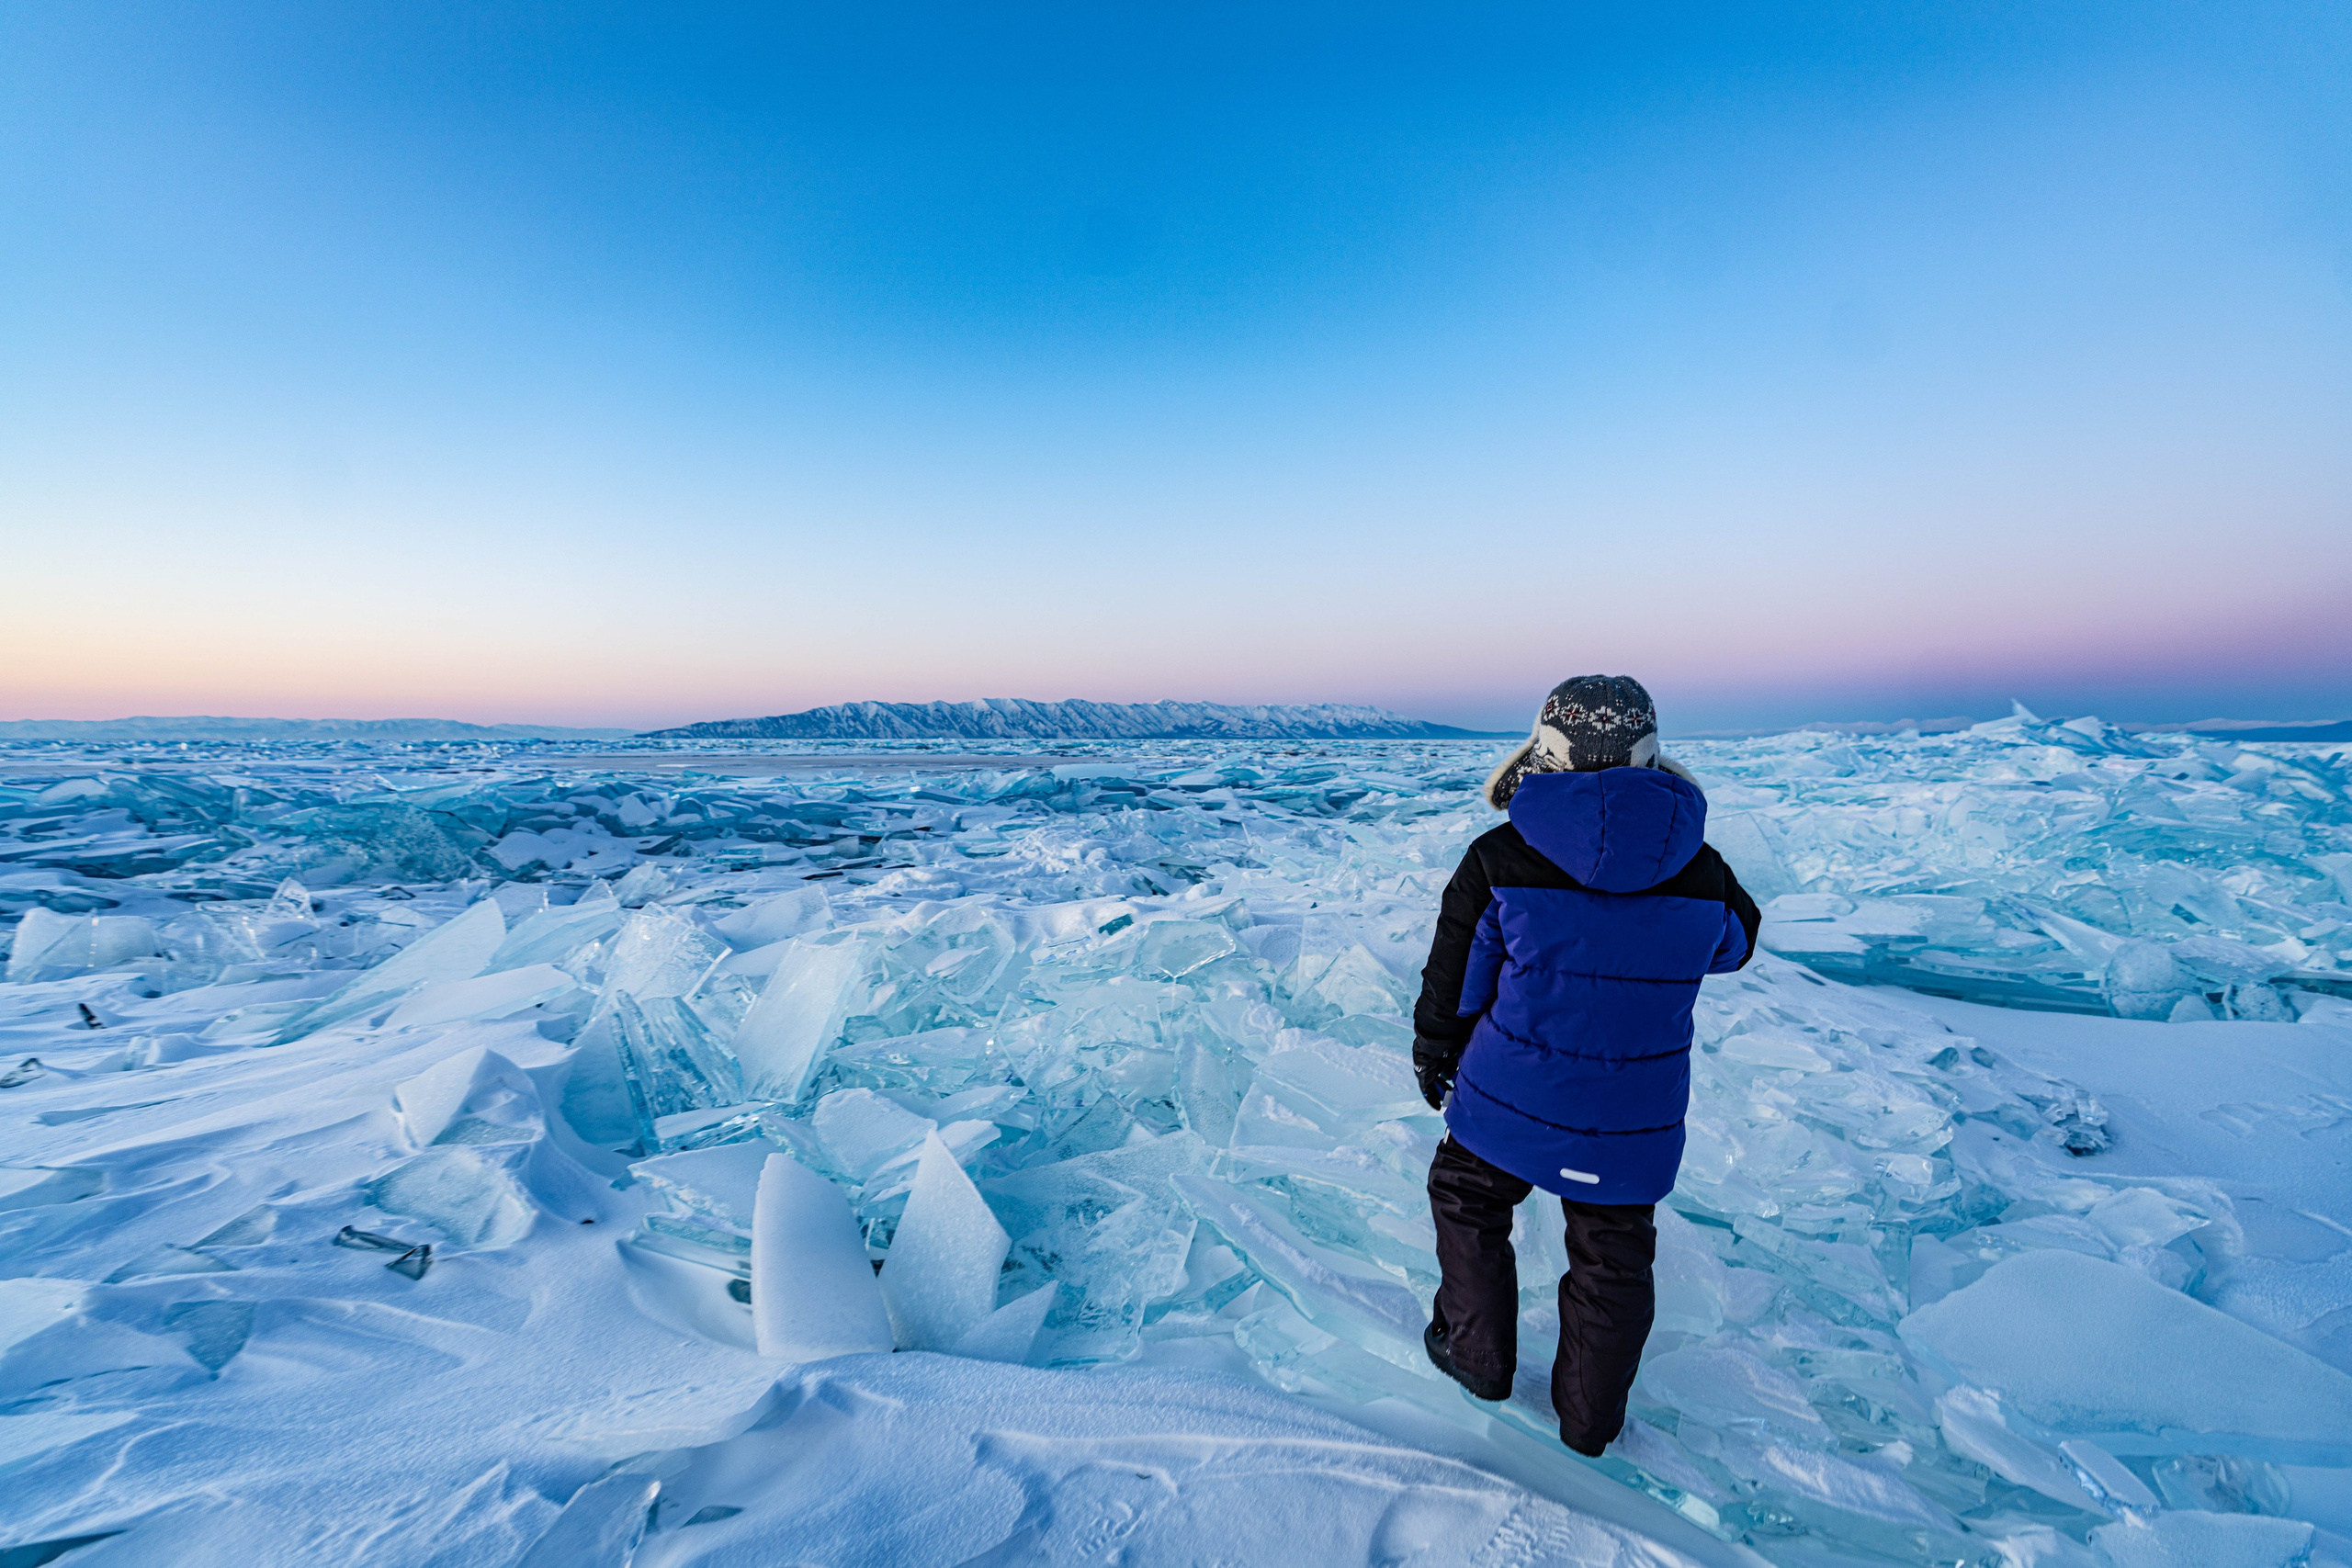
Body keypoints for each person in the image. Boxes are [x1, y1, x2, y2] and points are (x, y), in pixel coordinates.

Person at [1411, 674, 1759, 1456]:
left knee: (1467, 1196)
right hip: (1631, 1119)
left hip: (1507, 1098)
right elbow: (1736, 945)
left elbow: (1456, 980)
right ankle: (1589, 1421)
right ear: (1651, 756)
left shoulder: (1499, 857)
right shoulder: (1704, 872)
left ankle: (1476, 1357)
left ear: (1546, 752)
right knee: (1613, 1252)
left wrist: (1434, 1053)